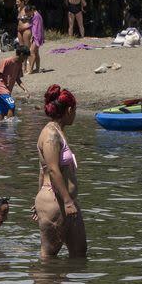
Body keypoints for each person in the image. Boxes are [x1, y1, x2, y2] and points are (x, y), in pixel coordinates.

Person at [32, 85, 86, 258]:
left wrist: (70, 201)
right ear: (69, 110)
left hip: (67, 201)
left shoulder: (59, 132)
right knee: (49, 257)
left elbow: (43, 171)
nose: (75, 114)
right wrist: (68, 201)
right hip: (56, 201)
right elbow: (53, 170)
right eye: (75, 110)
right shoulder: (50, 135)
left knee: (79, 253)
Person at [0, 46, 30, 119]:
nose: (26, 59)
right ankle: (10, 126)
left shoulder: (19, 64)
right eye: (25, 57)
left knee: (2, 112)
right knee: (12, 105)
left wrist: (25, 89)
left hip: (7, 90)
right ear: (21, 54)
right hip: (1, 89)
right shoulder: (7, 61)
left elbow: (17, 79)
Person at [27, 5, 45, 74]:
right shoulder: (36, 15)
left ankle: (31, 70)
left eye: (28, 13)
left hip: (37, 36)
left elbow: (37, 28)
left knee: (32, 52)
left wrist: (34, 37)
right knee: (36, 53)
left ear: (31, 10)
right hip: (38, 36)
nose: (28, 15)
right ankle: (37, 68)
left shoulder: (36, 16)